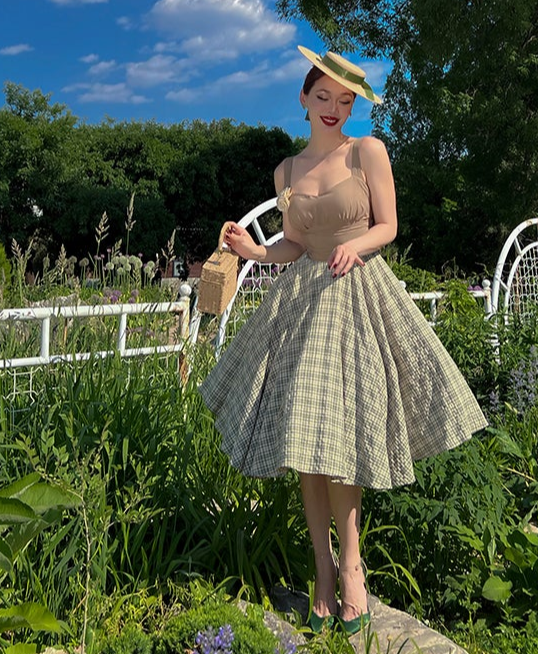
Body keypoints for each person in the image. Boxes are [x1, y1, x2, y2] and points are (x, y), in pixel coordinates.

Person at [198, 45, 488, 635]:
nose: (334, 108)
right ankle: (323, 573)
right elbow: (294, 244)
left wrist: (356, 245)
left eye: (345, 100)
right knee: (306, 441)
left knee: (341, 440)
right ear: (304, 99)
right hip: (304, 303)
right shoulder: (286, 171)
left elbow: (389, 225)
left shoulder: (367, 151)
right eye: (324, 96)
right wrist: (253, 251)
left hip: (357, 297)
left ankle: (353, 569)